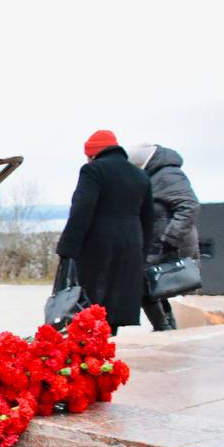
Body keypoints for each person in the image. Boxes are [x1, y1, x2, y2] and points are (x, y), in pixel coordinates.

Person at [56, 130, 153, 334]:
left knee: (90, 305)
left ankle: (90, 356)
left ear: (92, 154)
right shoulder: (140, 175)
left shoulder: (93, 171)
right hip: (131, 245)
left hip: (98, 245)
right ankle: (108, 344)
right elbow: (148, 220)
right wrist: (142, 254)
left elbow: (81, 209)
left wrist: (67, 248)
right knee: (115, 305)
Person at [128, 143, 200, 331]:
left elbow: (189, 205)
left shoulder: (168, 174)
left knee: (141, 283)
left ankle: (163, 327)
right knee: (153, 286)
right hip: (159, 241)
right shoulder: (156, 174)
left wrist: (170, 238)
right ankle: (166, 326)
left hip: (170, 243)